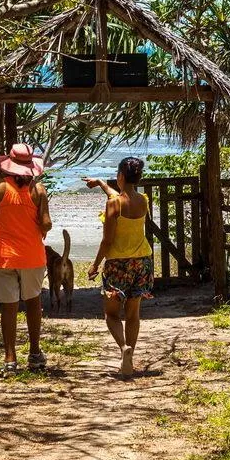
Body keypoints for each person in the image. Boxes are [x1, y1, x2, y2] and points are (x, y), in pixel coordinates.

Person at [0, 143, 52, 374]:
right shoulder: (38, 190)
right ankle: (34, 353)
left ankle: (10, 358)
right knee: (33, 303)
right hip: (32, 255)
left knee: (8, 307)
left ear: (8, 167)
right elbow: (46, 222)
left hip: (3, 256)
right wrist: (40, 228)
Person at [84, 157, 153, 378]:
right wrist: (102, 184)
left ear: (120, 176)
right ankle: (129, 359)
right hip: (141, 262)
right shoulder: (143, 200)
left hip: (117, 264)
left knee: (111, 314)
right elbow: (118, 196)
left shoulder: (114, 204)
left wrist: (95, 265)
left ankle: (123, 347)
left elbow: (107, 240)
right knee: (133, 313)